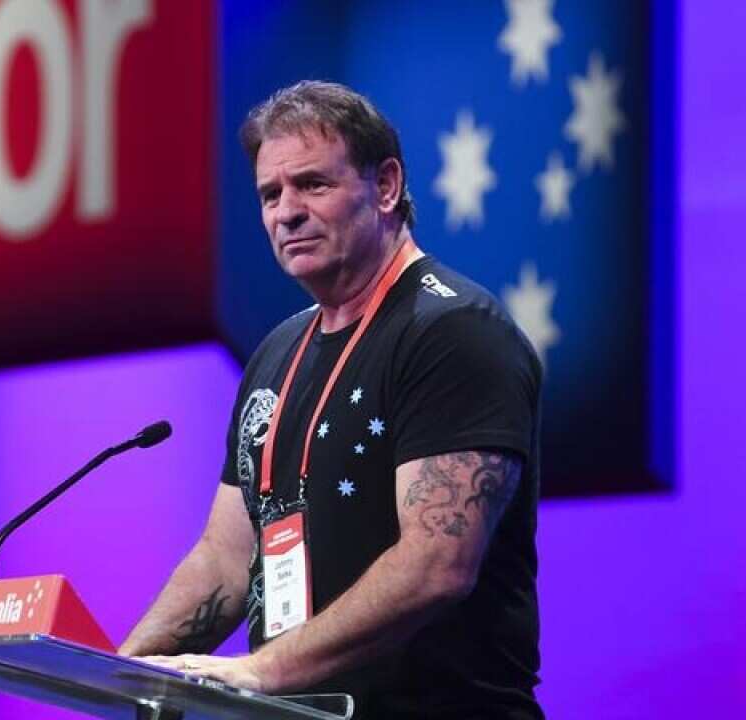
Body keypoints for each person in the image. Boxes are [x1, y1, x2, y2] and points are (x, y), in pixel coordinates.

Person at [119, 81, 543, 719]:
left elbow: (437, 563)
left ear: (387, 186)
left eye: (313, 184)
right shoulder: (275, 353)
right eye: (270, 194)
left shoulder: (454, 332)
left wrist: (262, 669)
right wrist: (122, 672)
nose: (286, 212)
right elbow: (228, 558)